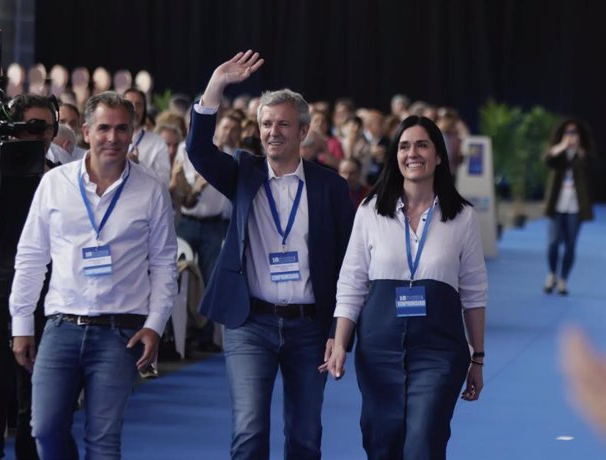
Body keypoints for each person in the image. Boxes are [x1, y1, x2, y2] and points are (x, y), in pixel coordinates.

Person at [187, 50, 354, 459]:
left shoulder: (330, 187)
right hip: (250, 323)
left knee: (305, 436)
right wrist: (216, 84)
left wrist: (339, 330)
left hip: (310, 328)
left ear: (304, 131)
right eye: (266, 124)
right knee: (248, 432)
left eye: (283, 124)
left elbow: (349, 265)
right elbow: (199, 152)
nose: (273, 132)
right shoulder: (243, 171)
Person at [9, 91, 177, 459]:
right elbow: (32, 255)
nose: (112, 138)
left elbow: (165, 263)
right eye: (103, 128)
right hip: (60, 327)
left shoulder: (150, 188)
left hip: (121, 333)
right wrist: (21, 323)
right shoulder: (55, 183)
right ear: (86, 131)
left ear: (133, 133)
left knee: (103, 442)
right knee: (46, 430)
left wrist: (155, 325)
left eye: (121, 129)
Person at [320, 115, 487, 459]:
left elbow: (474, 292)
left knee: (423, 441)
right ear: (395, 156)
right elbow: (351, 281)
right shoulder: (370, 211)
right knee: (382, 443)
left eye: (422, 145)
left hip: (439, 350)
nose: (413, 153)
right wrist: (339, 342)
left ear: (439, 155)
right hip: (378, 349)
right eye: (404, 146)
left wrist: (478, 358)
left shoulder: (462, 217)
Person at [0, 94, 58, 459]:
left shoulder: (58, 176)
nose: (39, 136)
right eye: (31, 128)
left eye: (46, 129)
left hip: (43, 296)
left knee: (35, 398)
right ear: (14, 129)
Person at [543, 119, 593, 296]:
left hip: (576, 207)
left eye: (574, 133)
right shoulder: (558, 152)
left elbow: (590, 168)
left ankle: (563, 280)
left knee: (570, 245)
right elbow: (548, 160)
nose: (571, 136)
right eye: (568, 133)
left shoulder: (584, 154)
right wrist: (562, 147)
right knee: (553, 242)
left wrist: (578, 152)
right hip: (557, 205)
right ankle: (551, 275)